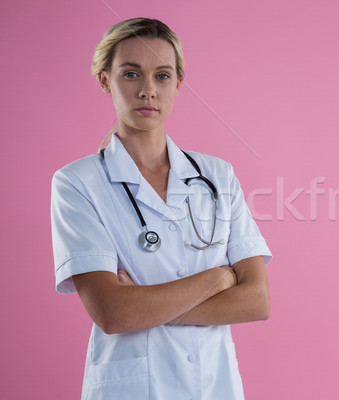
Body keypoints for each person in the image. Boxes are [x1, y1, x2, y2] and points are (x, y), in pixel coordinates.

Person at [50, 17, 272, 400]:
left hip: (213, 385)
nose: (148, 90)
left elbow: (257, 301)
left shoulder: (217, 175)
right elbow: (113, 314)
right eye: (132, 74)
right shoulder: (76, 183)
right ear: (106, 80)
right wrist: (218, 280)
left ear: (178, 84)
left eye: (163, 76)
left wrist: (145, 306)